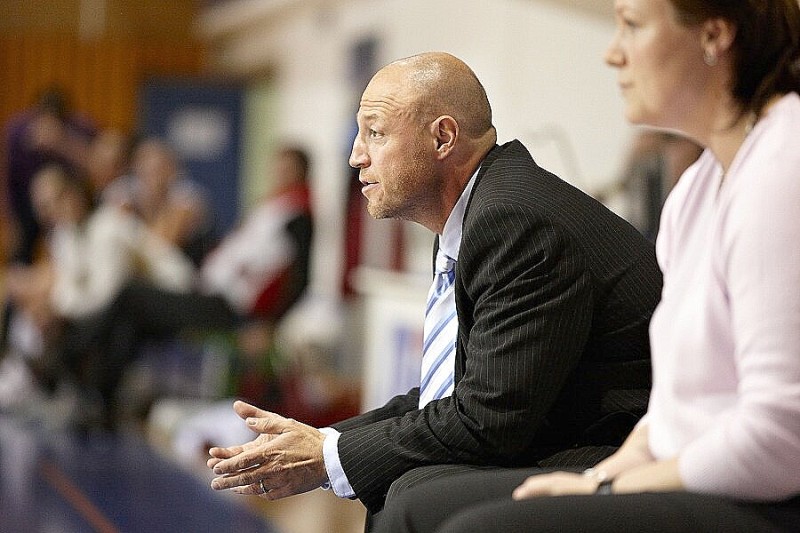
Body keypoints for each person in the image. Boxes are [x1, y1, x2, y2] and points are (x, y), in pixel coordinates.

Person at [374, 2, 800, 532]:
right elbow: (674, 408)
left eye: (633, 26)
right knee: (412, 507)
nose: (612, 53)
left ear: (714, 35)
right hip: (691, 469)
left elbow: (781, 438)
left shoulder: (782, 167)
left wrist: (608, 486)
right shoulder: (698, 187)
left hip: (766, 494)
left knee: (470, 527)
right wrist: (610, 475)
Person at [206, 52, 662, 519]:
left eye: (375, 133)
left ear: (443, 137)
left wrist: (326, 457)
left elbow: (488, 418)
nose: (356, 155)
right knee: (403, 484)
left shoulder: (513, 222)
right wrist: (323, 441)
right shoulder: (478, 215)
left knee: (412, 495)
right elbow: (449, 396)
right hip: (564, 427)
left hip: (626, 450)